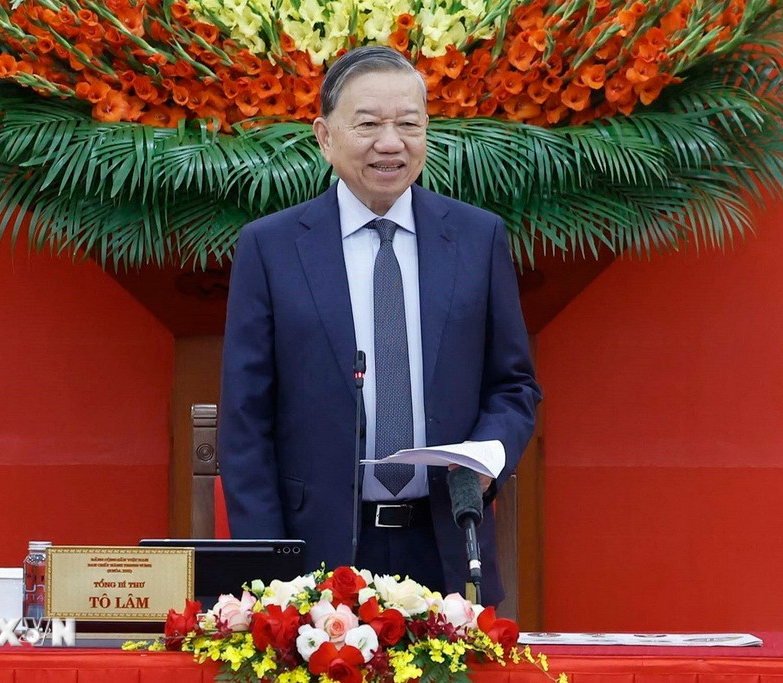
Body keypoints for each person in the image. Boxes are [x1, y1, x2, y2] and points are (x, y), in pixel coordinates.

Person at [218, 45, 542, 604]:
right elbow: (245, 419)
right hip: (315, 553)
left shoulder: (476, 238)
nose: (390, 143)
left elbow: (513, 386)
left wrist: (486, 458)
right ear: (325, 137)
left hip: (444, 544)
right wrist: (269, 570)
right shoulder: (271, 248)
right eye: (368, 124)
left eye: (408, 124)